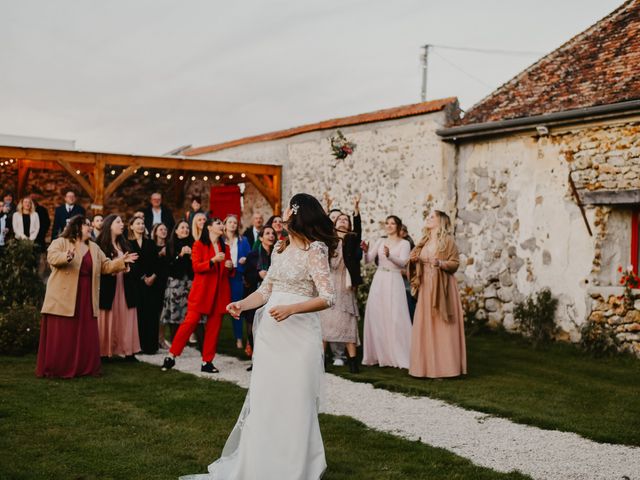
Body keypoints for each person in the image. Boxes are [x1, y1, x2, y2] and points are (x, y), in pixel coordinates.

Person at [186, 193, 336, 479]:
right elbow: (265, 291)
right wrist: (242, 305)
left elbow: (329, 297)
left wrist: (293, 309)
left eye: (287, 213)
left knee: (296, 397)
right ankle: (261, 460)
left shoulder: (315, 249)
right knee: (268, 397)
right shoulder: (280, 250)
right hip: (271, 333)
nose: (282, 219)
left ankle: (296, 465)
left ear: (298, 215)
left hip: (300, 332)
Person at [37, 215, 138, 378]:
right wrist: (66, 257)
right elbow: (52, 257)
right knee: (65, 332)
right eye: (87, 225)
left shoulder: (94, 247)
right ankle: (59, 367)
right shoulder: (61, 242)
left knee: (83, 330)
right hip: (64, 295)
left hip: (86, 295)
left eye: (91, 225)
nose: (91, 227)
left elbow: (105, 266)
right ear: (77, 227)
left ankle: (84, 367)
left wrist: (121, 262)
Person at [161, 217, 233, 373]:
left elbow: (226, 272)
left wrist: (230, 266)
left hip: (219, 294)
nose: (222, 226)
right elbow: (196, 267)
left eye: (222, 224)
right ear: (209, 227)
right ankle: (171, 355)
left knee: (214, 329)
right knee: (189, 323)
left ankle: (207, 362)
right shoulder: (198, 245)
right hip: (202, 292)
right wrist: (213, 260)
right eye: (218, 223)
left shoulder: (225, 247)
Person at [409, 210, 467, 378]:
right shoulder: (424, 241)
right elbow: (414, 261)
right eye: (427, 216)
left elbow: (455, 263)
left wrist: (440, 263)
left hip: (443, 287)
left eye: (432, 217)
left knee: (442, 325)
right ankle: (425, 367)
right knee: (426, 324)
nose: (427, 218)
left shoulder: (447, 241)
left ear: (440, 221)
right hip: (426, 285)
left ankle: (446, 368)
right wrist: (414, 261)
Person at [362, 215, 412, 369]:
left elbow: (403, 263)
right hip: (379, 279)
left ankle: (398, 353)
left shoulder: (404, 244)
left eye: (393, 223)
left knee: (395, 315)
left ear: (398, 226)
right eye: (387, 223)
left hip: (394, 279)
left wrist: (390, 255)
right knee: (377, 314)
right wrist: (364, 251)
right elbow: (369, 260)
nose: (389, 226)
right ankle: (377, 354)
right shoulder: (380, 241)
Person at [320, 198, 363, 374]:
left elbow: (359, 229)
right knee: (325, 320)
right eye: (340, 219)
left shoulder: (352, 239)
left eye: (346, 219)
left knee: (347, 320)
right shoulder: (329, 239)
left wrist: (356, 209)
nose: (343, 221)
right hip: (330, 280)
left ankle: (352, 362)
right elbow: (322, 225)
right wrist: (327, 208)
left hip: (346, 282)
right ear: (335, 222)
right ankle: (321, 360)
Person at [96, 215, 141, 360]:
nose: (122, 224)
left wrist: (129, 269)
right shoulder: (100, 245)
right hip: (109, 287)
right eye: (118, 222)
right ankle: (104, 351)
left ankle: (129, 351)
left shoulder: (126, 244)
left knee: (126, 318)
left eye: (122, 221)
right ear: (109, 225)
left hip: (126, 287)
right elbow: (99, 268)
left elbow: (136, 266)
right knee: (108, 318)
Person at [242, 224, 276, 366]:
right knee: (252, 328)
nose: (271, 236)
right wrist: (258, 274)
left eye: (273, 233)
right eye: (267, 233)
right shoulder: (253, 255)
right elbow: (247, 275)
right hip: (255, 292)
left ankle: (269, 358)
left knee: (270, 328)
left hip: (273, 295)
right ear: (261, 237)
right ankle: (255, 359)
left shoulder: (277, 254)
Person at [128, 215, 160, 355]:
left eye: (142, 223)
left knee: (151, 313)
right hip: (136, 283)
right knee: (139, 314)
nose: (141, 226)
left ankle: (151, 346)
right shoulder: (128, 244)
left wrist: (153, 276)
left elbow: (156, 262)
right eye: (138, 223)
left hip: (152, 283)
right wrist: (142, 277)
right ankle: (138, 345)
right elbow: (130, 263)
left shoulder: (151, 243)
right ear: (131, 226)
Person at [159, 220, 193, 346]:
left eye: (187, 227)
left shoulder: (193, 244)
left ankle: (186, 340)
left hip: (189, 283)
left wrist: (191, 257)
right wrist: (181, 255)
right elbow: (170, 266)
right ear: (177, 231)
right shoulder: (170, 245)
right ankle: (175, 343)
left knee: (188, 314)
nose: (185, 229)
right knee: (175, 315)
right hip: (175, 284)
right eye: (182, 227)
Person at [224, 214, 251, 349]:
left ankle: (239, 338)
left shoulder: (243, 240)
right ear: (225, 224)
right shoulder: (220, 240)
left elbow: (250, 257)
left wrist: (245, 260)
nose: (233, 224)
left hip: (237, 276)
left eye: (235, 222)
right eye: (230, 222)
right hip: (222, 276)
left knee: (236, 308)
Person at [151, 223, 170, 349]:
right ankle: (153, 338)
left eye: (165, 229)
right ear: (155, 232)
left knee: (163, 312)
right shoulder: (151, 246)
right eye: (160, 229)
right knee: (154, 311)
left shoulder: (170, 246)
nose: (163, 231)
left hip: (167, 281)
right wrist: (159, 255)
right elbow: (150, 263)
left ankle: (161, 338)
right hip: (154, 282)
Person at [400, 224, 417, 321]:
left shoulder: (411, 247)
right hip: (397, 280)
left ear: (405, 233)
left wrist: (403, 272)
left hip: (407, 283)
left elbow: (414, 269)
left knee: (408, 308)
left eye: (400, 230)